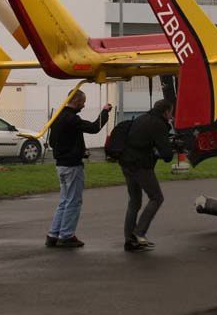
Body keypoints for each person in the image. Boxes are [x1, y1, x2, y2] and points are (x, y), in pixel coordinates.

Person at [46, 90, 112, 248]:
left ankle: (53, 234)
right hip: (72, 165)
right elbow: (94, 127)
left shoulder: (57, 117)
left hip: (60, 165)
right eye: (83, 102)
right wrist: (104, 111)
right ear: (76, 101)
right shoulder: (72, 119)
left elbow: (52, 142)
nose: (84, 105)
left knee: (64, 201)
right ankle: (67, 235)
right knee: (74, 201)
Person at [119, 99, 175, 252]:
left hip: (126, 163)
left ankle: (129, 240)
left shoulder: (142, 118)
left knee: (134, 202)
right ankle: (139, 233)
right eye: (171, 112)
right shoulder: (158, 124)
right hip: (141, 166)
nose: (172, 115)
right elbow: (167, 155)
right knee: (157, 197)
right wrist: (173, 147)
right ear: (165, 112)